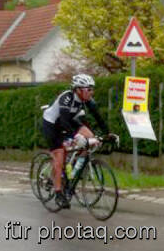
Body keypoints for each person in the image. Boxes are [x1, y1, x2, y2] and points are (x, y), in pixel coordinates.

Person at [41, 75, 117, 209]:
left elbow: (98, 117)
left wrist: (108, 134)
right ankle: (59, 193)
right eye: (89, 89)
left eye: (92, 89)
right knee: (59, 158)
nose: (91, 92)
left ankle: (74, 171)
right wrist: (76, 137)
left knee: (91, 138)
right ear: (78, 90)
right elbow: (63, 122)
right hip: (52, 125)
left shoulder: (87, 100)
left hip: (69, 121)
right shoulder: (67, 98)